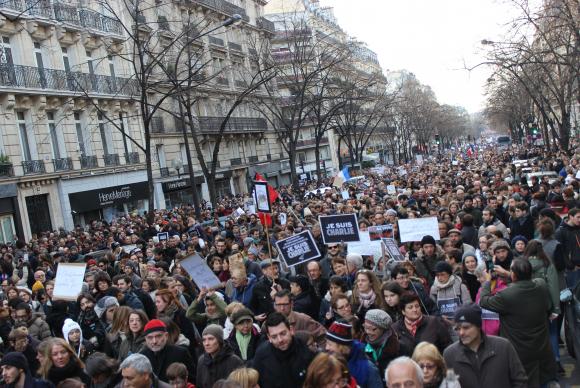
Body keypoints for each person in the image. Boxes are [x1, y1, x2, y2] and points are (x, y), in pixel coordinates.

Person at [479, 258, 557, 387]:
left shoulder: (506, 295)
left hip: (519, 351)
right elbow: (527, 281)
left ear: (514, 274)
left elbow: (484, 301)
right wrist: (509, 274)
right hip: (541, 347)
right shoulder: (541, 285)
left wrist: (488, 281)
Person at [443, 303, 527, 388]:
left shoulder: (503, 347)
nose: (461, 333)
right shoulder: (449, 354)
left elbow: (520, 381)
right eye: (457, 329)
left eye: (466, 327)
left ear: (479, 325)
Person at [252, 312, 316, 388]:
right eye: (274, 336)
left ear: (291, 330)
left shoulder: (306, 352)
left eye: (283, 333)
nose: (280, 340)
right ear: (269, 337)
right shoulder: (261, 355)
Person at [324, 321, 383, 388]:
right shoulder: (326, 363)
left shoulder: (369, 369)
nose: (326, 347)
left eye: (330, 344)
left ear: (342, 347)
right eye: (326, 343)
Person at [140, 319, 196, 384]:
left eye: (158, 336)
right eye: (150, 337)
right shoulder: (142, 356)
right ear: (145, 339)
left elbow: (192, 380)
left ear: (166, 336)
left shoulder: (180, 353)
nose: (154, 341)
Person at [362, 309, 400, 381]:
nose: (368, 332)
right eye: (366, 328)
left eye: (373, 329)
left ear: (383, 329)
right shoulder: (361, 346)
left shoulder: (398, 347)